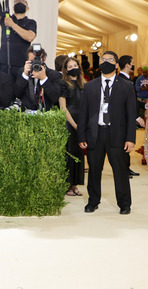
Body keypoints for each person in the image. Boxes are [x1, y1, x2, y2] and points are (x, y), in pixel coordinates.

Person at [78, 51, 137, 215]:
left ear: (116, 64)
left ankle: (125, 204)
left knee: (120, 171)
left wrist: (130, 138)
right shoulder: (90, 86)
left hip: (117, 135)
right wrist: (81, 136)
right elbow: (83, 113)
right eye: (103, 59)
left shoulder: (126, 86)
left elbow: (131, 114)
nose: (106, 62)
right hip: (95, 134)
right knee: (94, 171)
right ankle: (93, 201)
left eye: (110, 60)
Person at [0, 0, 36, 79]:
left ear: (27, 8)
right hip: (5, 64)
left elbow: (30, 37)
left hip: (21, 65)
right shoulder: (5, 18)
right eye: (17, 1)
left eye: (23, 2)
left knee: (20, 89)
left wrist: (12, 24)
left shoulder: (31, 22)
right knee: (4, 89)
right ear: (13, 7)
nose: (20, 3)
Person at [59, 57, 86, 196]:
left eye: (75, 65)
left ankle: (75, 185)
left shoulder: (84, 84)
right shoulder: (63, 84)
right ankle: (68, 185)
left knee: (79, 153)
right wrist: (75, 125)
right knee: (69, 152)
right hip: (69, 123)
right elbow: (63, 108)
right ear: (65, 69)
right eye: (70, 66)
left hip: (82, 122)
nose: (73, 68)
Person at [15, 46, 61, 111]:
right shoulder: (22, 72)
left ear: (44, 59)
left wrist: (44, 79)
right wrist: (25, 75)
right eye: (32, 61)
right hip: (25, 114)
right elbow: (17, 93)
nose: (35, 63)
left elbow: (55, 98)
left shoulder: (54, 75)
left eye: (37, 60)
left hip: (46, 116)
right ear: (27, 60)